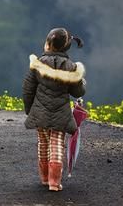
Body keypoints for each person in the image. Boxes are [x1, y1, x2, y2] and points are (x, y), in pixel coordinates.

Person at [22, 27, 86, 191]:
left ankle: (44, 178)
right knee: (57, 146)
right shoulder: (71, 68)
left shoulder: (38, 64)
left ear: (48, 45)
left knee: (43, 145)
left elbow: (28, 88)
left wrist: (30, 110)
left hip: (40, 113)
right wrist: (81, 83)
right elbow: (77, 91)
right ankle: (54, 182)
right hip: (60, 115)